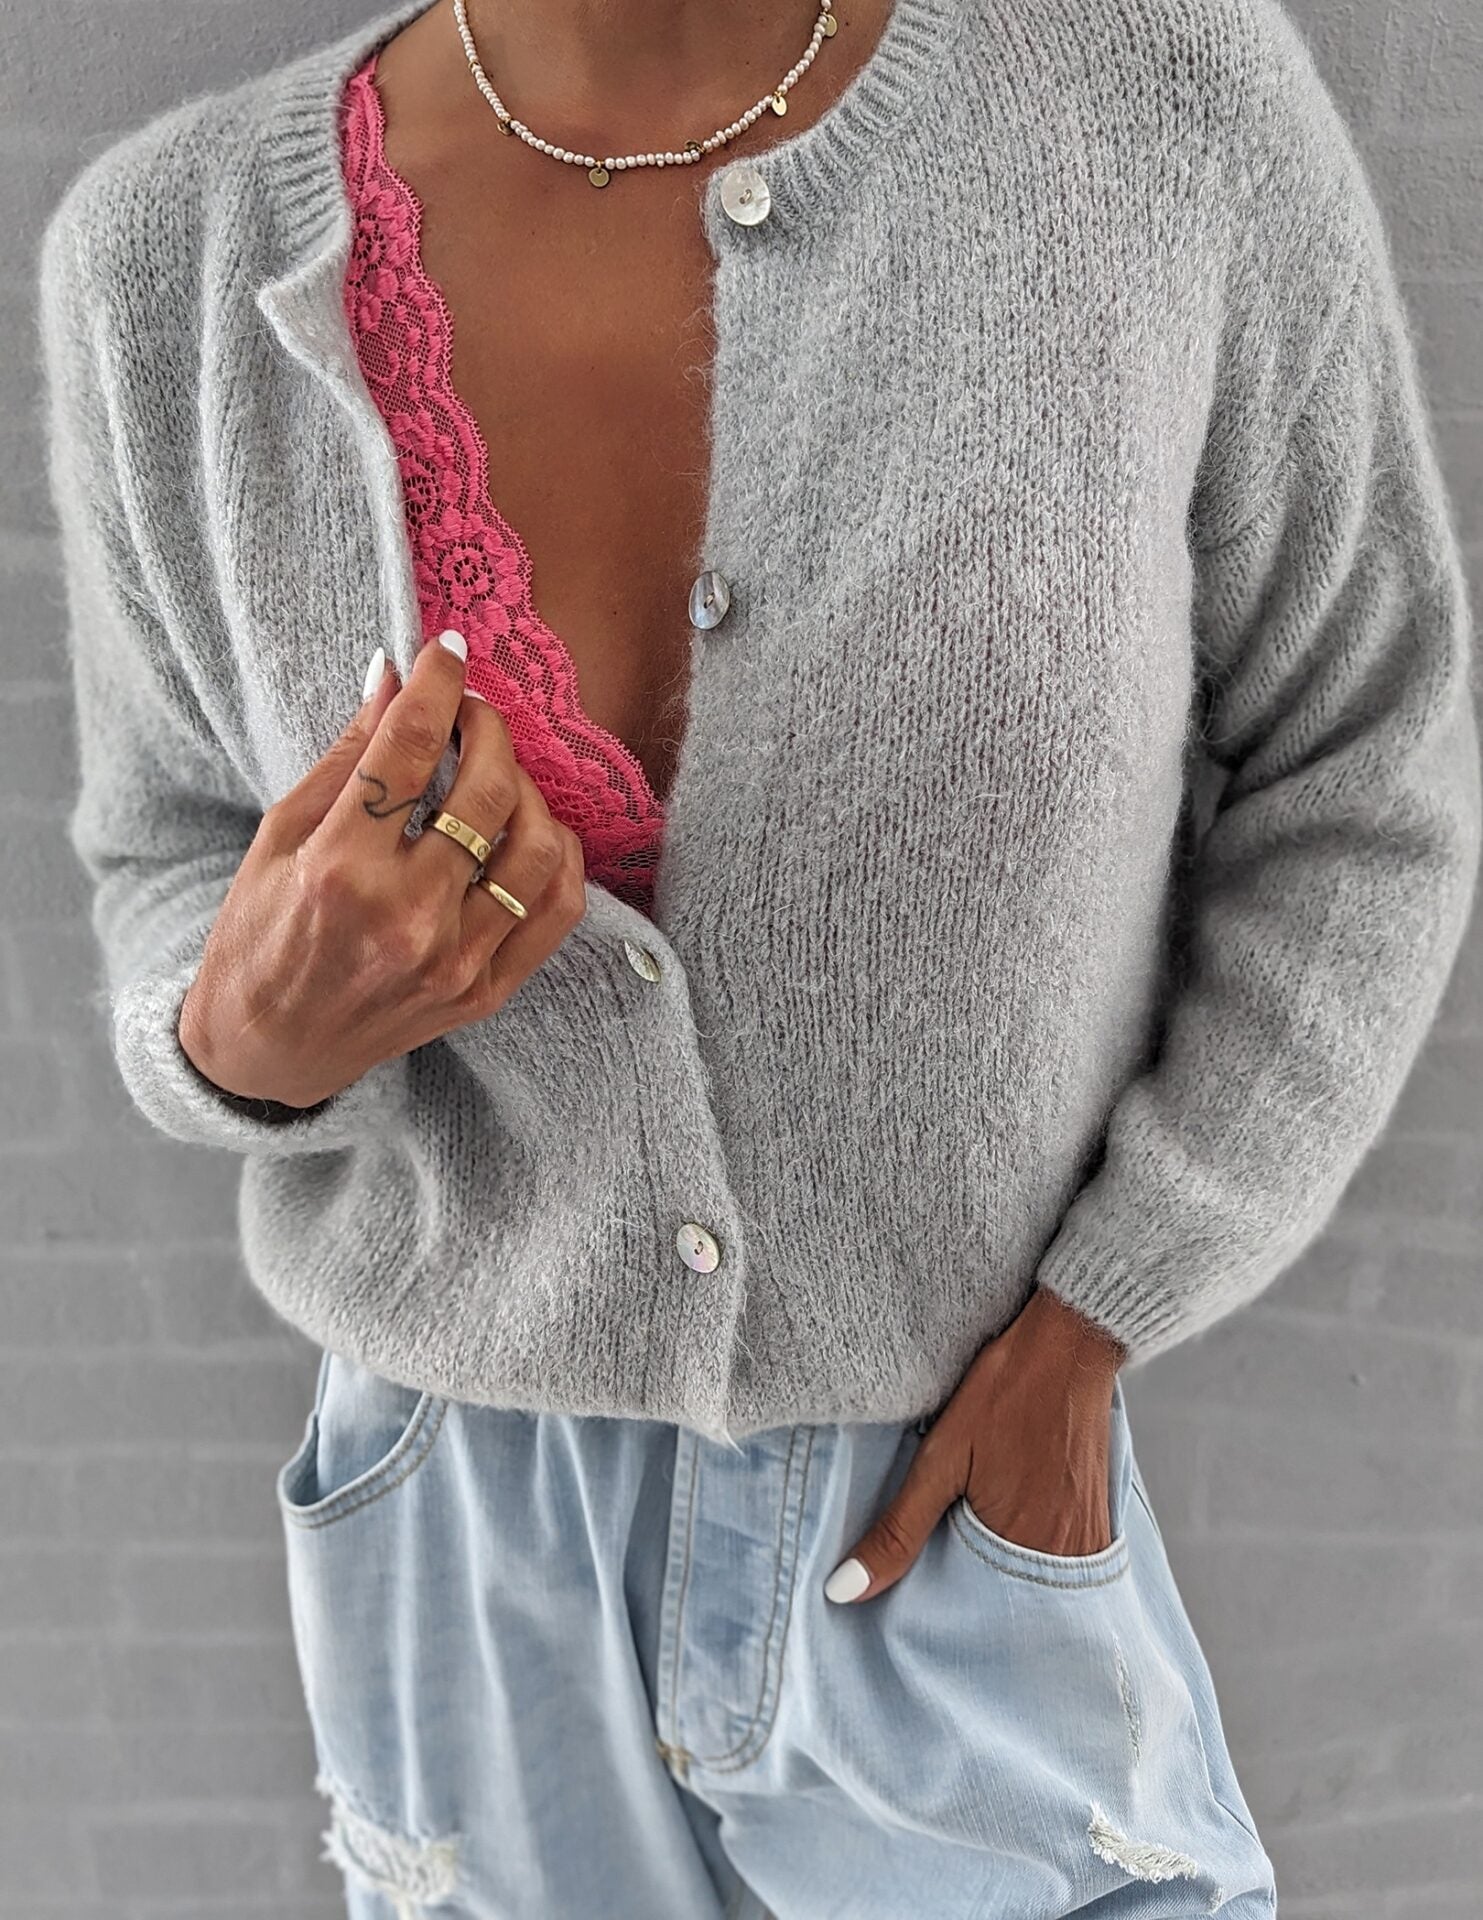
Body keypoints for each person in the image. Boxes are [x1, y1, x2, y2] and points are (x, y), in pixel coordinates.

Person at [36, 0, 1479, 1913]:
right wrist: (233, 1038)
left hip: (957, 1489)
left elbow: (1365, 759)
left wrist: (1107, 1310)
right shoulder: (168, 258)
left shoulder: (1154, 98)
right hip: (467, 1533)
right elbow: (165, 850)